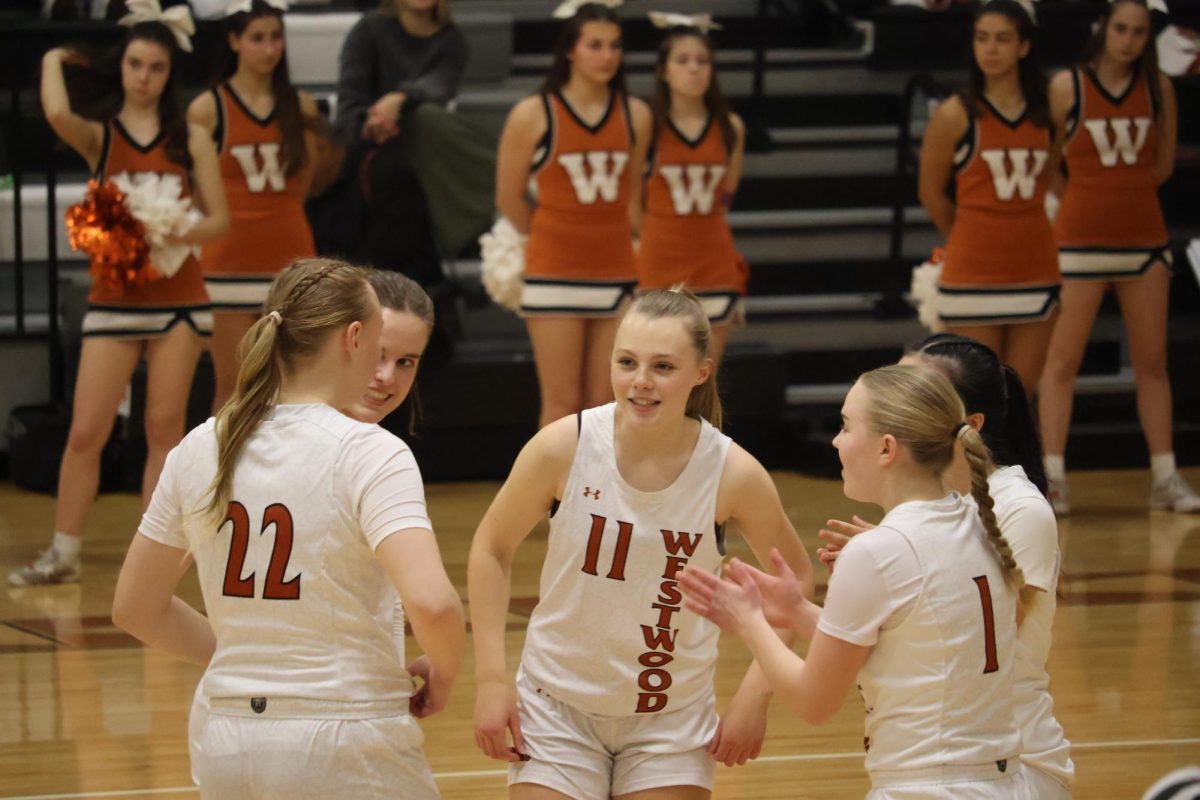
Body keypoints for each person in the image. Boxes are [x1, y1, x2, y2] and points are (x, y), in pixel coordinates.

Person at [112, 258, 465, 799]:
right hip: (346, 732)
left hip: (225, 732)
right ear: (354, 337)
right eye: (379, 346)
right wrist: (445, 670)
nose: (385, 370)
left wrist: (248, 655)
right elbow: (435, 605)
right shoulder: (372, 452)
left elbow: (134, 607)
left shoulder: (201, 443)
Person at [469, 288, 813, 799]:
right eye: (626, 362)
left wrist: (754, 696)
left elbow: (797, 581)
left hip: (669, 720)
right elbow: (491, 547)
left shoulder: (732, 473)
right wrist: (492, 680)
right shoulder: (564, 446)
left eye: (663, 367)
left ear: (701, 372)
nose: (641, 382)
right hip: (556, 707)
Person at [680, 363, 1031, 799]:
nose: (835, 440)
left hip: (927, 787)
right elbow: (915, 646)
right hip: (1006, 783)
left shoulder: (879, 552)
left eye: (845, 426)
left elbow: (814, 702)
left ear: (886, 449)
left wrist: (750, 623)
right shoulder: (977, 520)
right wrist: (798, 612)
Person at [10, 4, 230, 587]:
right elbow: (56, 109)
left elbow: (218, 221)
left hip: (179, 302)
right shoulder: (100, 138)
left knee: (163, 430)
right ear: (123, 65)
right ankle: (62, 551)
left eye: (155, 67)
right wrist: (56, 56)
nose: (143, 76)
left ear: (168, 74)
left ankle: (151, 561)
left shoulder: (192, 138)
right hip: (113, 301)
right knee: (87, 431)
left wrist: (165, 231)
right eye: (135, 63)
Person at [821, 334, 1074, 799]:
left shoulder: (1019, 507)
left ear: (969, 423)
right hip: (951, 761)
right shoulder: (936, 506)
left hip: (1013, 760)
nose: (905, 395)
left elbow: (982, 632)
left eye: (921, 386)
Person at [1038, 0, 1199, 514]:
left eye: (1138, 31)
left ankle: (1165, 477)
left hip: (1143, 242)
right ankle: (1053, 478)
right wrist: (1088, 196)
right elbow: (1048, 162)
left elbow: (1162, 163)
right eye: (1121, 29)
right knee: (1062, 362)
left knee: (1153, 362)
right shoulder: (1068, 86)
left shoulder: (1159, 87)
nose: (1128, 39)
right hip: (1078, 244)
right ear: (1103, 29)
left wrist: (1124, 195)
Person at [495, 2, 652, 428]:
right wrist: (554, 238)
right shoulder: (533, 113)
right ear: (570, 50)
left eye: (615, 46)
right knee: (561, 404)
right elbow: (509, 199)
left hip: (617, 271)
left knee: (605, 404)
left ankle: (598, 495)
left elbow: (633, 196)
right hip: (553, 273)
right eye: (595, 45)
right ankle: (555, 495)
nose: (607, 56)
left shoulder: (636, 114)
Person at [918, 0, 1059, 397]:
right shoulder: (954, 114)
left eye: (1002, 39)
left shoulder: (1048, 112)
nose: (991, 49)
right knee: (975, 401)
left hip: (1036, 269)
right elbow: (930, 192)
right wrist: (967, 233)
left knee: (1020, 399)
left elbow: (1050, 175)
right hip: (973, 272)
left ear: (1024, 47)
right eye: (982, 39)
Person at [189, 0, 320, 412]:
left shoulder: (301, 106)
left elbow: (307, 182)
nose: (269, 49)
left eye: (275, 37)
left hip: (291, 256)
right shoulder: (208, 108)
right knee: (231, 391)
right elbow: (196, 195)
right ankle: (223, 478)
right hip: (227, 261)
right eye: (257, 38)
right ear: (233, 41)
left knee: (294, 393)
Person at [317, 0, 466, 288]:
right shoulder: (369, 30)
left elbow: (440, 87)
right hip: (367, 157)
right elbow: (348, 106)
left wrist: (399, 100)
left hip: (420, 156)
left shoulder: (451, 39)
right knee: (394, 172)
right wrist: (374, 124)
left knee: (426, 119)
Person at [635, 16, 746, 367]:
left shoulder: (730, 127)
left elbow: (727, 194)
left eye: (702, 61)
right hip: (657, 265)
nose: (694, 69)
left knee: (705, 380)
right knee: (656, 375)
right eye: (682, 61)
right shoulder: (646, 125)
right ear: (663, 71)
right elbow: (629, 202)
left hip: (715, 264)